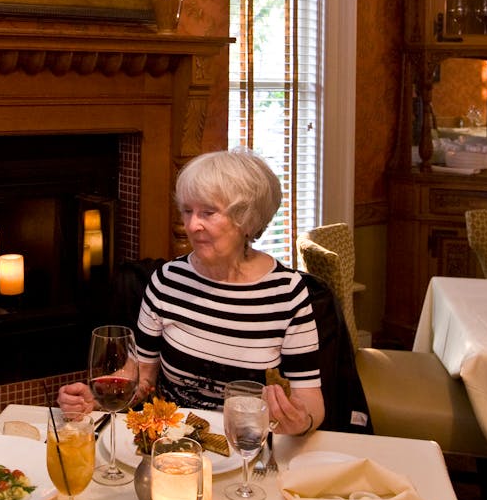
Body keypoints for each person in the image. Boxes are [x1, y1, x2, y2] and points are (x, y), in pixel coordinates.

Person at [60, 148, 323, 436]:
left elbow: (309, 397)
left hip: (248, 444)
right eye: (187, 211)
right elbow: (143, 375)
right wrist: (96, 399)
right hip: (175, 440)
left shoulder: (287, 293)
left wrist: (302, 420)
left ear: (246, 219)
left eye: (208, 213)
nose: (192, 225)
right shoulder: (167, 280)